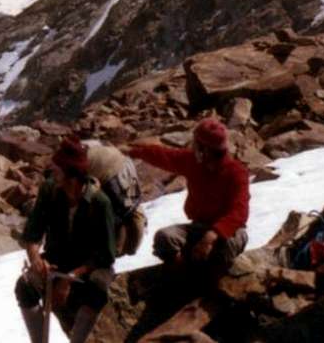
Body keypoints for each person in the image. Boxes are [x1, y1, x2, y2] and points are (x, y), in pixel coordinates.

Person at [15, 135, 117, 343]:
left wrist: (70, 277)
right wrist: (35, 258)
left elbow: (106, 255)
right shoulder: (49, 190)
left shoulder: (99, 202)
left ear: (71, 174)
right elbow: (33, 233)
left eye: (57, 168)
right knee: (25, 286)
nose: (52, 171)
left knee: (97, 288)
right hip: (57, 260)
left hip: (88, 266)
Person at [126, 118, 249, 283]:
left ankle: (212, 284)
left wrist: (211, 236)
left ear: (204, 149)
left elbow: (239, 212)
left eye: (196, 144)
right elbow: (164, 155)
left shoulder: (236, 172)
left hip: (228, 232)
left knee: (226, 248)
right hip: (198, 227)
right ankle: (185, 276)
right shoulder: (193, 162)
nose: (192, 147)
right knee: (164, 237)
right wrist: (131, 151)